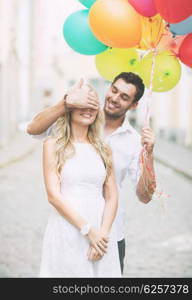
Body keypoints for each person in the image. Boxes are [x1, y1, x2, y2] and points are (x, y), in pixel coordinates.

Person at [27, 72, 156, 274]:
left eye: (124, 97)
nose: (114, 98)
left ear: (133, 106)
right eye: (114, 90)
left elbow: (145, 196)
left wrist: (148, 154)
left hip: (110, 233)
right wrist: (66, 102)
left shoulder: (128, 142)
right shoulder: (58, 137)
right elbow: (32, 128)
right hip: (70, 228)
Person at [39, 83, 121, 277]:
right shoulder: (53, 145)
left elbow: (112, 196)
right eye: (83, 102)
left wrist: (103, 235)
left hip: (101, 230)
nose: (89, 109)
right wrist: (87, 230)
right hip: (69, 227)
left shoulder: (104, 148)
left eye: (93, 104)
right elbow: (53, 195)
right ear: (70, 107)